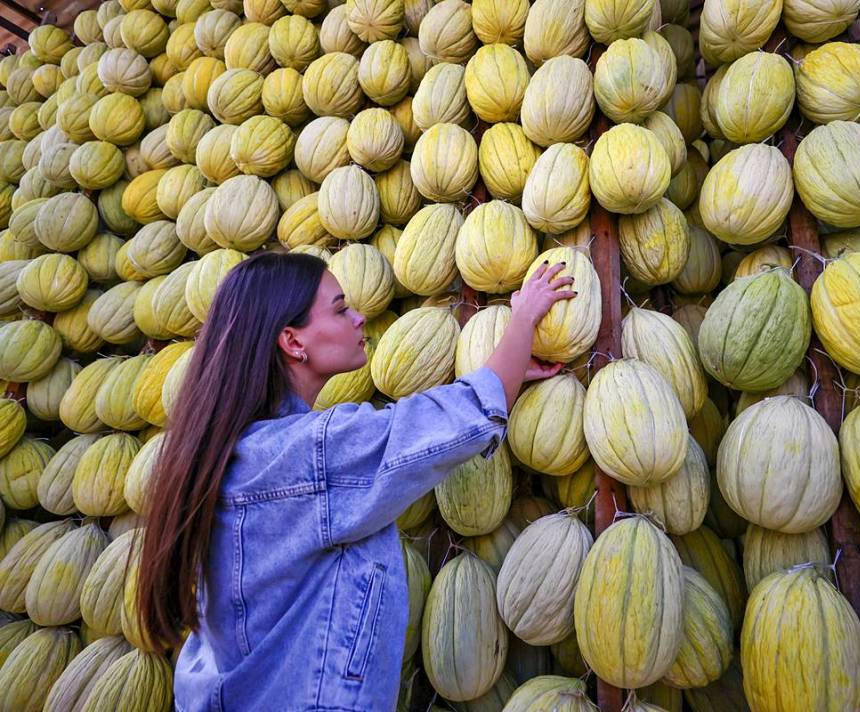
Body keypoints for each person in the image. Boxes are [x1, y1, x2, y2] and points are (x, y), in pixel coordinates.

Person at [135, 251, 576, 711]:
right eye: (341, 308)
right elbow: (463, 419)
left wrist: (507, 367)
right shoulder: (311, 452)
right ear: (292, 340)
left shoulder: (234, 449)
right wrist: (524, 317)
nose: (359, 316)